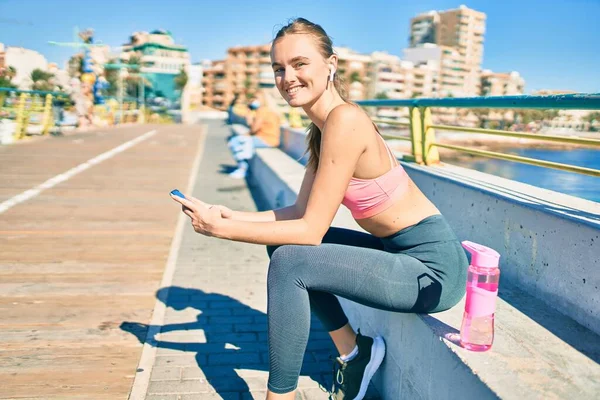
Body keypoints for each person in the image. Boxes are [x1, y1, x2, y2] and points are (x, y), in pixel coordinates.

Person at [170, 17, 468, 400]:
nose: (287, 77)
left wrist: (222, 231)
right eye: (278, 68)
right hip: (397, 253)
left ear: (331, 64)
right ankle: (353, 353)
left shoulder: (346, 120)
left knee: (291, 262)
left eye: (299, 64)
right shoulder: (324, 128)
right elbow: (298, 213)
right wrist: (226, 214)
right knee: (280, 247)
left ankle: (280, 396)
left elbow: (309, 231)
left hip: (431, 272)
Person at [227, 93, 281, 179]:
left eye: (256, 98)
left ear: (264, 100)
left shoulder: (262, 111)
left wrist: (248, 123)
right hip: (271, 139)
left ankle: (243, 169)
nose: (253, 100)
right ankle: (243, 168)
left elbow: (254, 129)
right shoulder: (270, 111)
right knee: (241, 141)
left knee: (235, 142)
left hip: (266, 139)